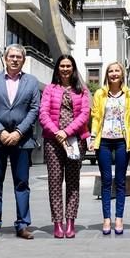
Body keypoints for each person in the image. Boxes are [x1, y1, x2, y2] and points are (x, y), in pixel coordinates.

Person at [0, 44, 40, 240]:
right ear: (5, 59)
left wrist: (19, 132)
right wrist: (0, 131)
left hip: (22, 141)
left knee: (22, 183)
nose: (15, 59)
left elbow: (34, 109)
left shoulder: (31, 82)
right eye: (11, 56)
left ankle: (22, 225)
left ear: (23, 60)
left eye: (19, 57)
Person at [39, 55, 91, 239]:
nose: (65, 69)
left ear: (73, 68)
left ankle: (70, 222)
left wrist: (67, 132)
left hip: (76, 140)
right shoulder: (50, 89)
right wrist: (56, 133)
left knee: (73, 182)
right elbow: (43, 113)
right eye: (62, 66)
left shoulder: (82, 90)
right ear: (57, 68)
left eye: (68, 66)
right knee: (54, 182)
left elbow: (85, 114)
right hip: (53, 141)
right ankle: (57, 223)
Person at [90, 61, 130, 234]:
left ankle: (119, 218)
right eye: (111, 71)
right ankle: (106, 219)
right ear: (107, 74)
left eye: (117, 71)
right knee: (106, 180)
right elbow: (95, 116)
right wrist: (93, 136)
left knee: (120, 181)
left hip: (122, 141)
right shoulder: (100, 94)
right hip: (103, 141)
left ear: (122, 74)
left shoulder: (129, 95)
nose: (114, 73)